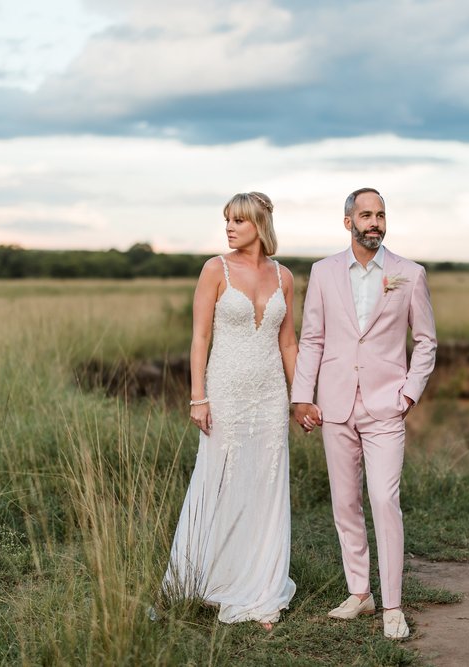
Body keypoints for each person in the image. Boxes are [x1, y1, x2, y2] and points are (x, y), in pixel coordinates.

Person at [291, 187, 437, 640]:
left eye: (381, 215)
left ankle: (392, 604)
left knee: (383, 500)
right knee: (344, 504)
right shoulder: (323, 272)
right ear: (348, 221)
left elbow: (426, 342)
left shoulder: (408, 274)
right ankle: (360, 592)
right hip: (334, 406)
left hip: (385, 407)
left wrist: (408, 394)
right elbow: (312, 338)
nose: (374, 222)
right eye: (366, 215)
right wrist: (301, 396)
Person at [163, 192, 297, 630]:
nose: (230, 228)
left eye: (238, 220)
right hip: (226, 394)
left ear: (260, 225)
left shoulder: (285, 276)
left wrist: (300, 397)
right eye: (227, 220)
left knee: (266, 484)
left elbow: (288, 343)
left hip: (271, 395)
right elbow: (199, 338)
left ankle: (260, 585)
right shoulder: (213, 269)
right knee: (218, 481)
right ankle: (209, 577)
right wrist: (197, 397)